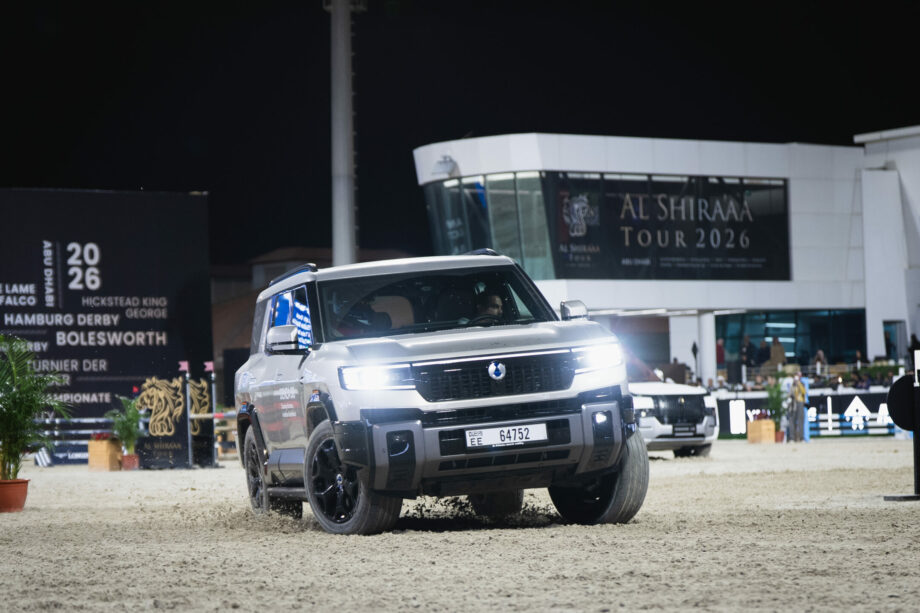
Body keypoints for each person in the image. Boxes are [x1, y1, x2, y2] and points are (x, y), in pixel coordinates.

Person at [788, 373, 807, 442]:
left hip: (800, 402)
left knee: (800, 421)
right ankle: (792, 438)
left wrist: (798, 383)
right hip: (793, 403)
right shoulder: (792, 385)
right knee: (791, 420)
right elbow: (789, 393)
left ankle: (801, 438)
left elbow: (804, 392)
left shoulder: (802, 384)